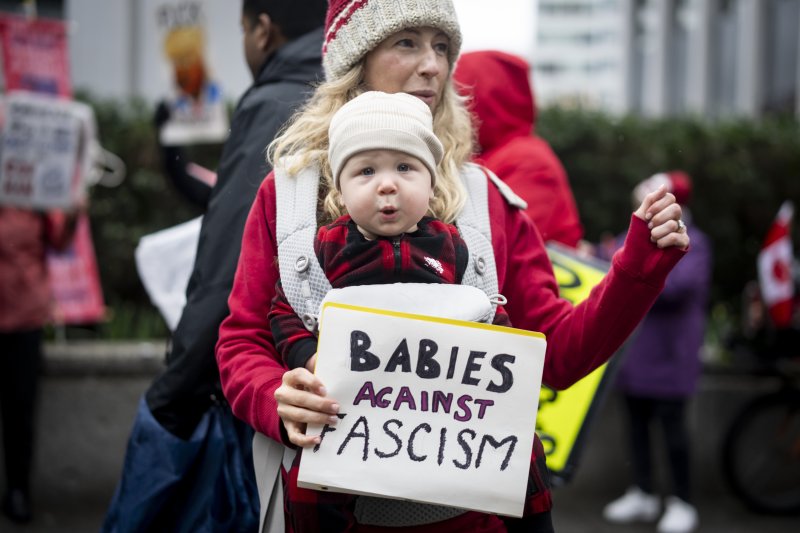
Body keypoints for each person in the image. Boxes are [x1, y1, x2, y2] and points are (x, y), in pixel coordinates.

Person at [215, 1, 690, 531]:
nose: (433, 65)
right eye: (407, 43)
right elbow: (242, 341)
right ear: (355, 61)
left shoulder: (490, 201)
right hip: (327, 515)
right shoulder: (286, 194)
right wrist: (273, 398)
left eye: (442, 46)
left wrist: (638, 270)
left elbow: (553, 356)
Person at [103, 1, 327, 531]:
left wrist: (172, 394)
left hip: (268, 401)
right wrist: (172, 154)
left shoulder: (277, 103)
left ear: (263, 31)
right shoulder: (344, 93)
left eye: (244, 30)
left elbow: (228, 268)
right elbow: (230, 208)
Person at [270, 89, 510, 374]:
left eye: (404, 167)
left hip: (435, 400)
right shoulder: (327, 249)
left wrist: (502, 360)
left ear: (431, 186)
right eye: (367, 171)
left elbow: (488, 312)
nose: (387, 184)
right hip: (355, 402)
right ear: (341, 191)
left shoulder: (452, 247)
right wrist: (311, 359)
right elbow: (286, 312)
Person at [601, 171, 711, 533]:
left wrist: (631, 268)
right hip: (634, 355)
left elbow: (676, 285)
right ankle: (643, 492)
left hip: (670, 355)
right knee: (636, 428)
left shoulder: (695, 241)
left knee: (674, 433)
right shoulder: (631, 235)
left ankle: (682, 500)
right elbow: (608, 270)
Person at [453, 50, 583, 248]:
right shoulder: (496, 155)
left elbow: (500, 244)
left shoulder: (527, 159)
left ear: (477, 101)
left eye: (458, 98)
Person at [0, 206, 78, 523]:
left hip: (24, 317)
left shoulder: (34, 194)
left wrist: (73, 212)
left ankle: (19, 491)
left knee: (21, 410)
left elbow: (60, 241)